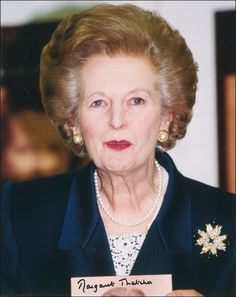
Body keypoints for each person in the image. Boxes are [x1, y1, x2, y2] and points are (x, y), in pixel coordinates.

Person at [1, 4, 234, 297]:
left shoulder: (228, 219)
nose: (116, 120)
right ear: (73, 121)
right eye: (98, 102)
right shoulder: (20, 215)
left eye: (135, 100)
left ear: (167, 115)